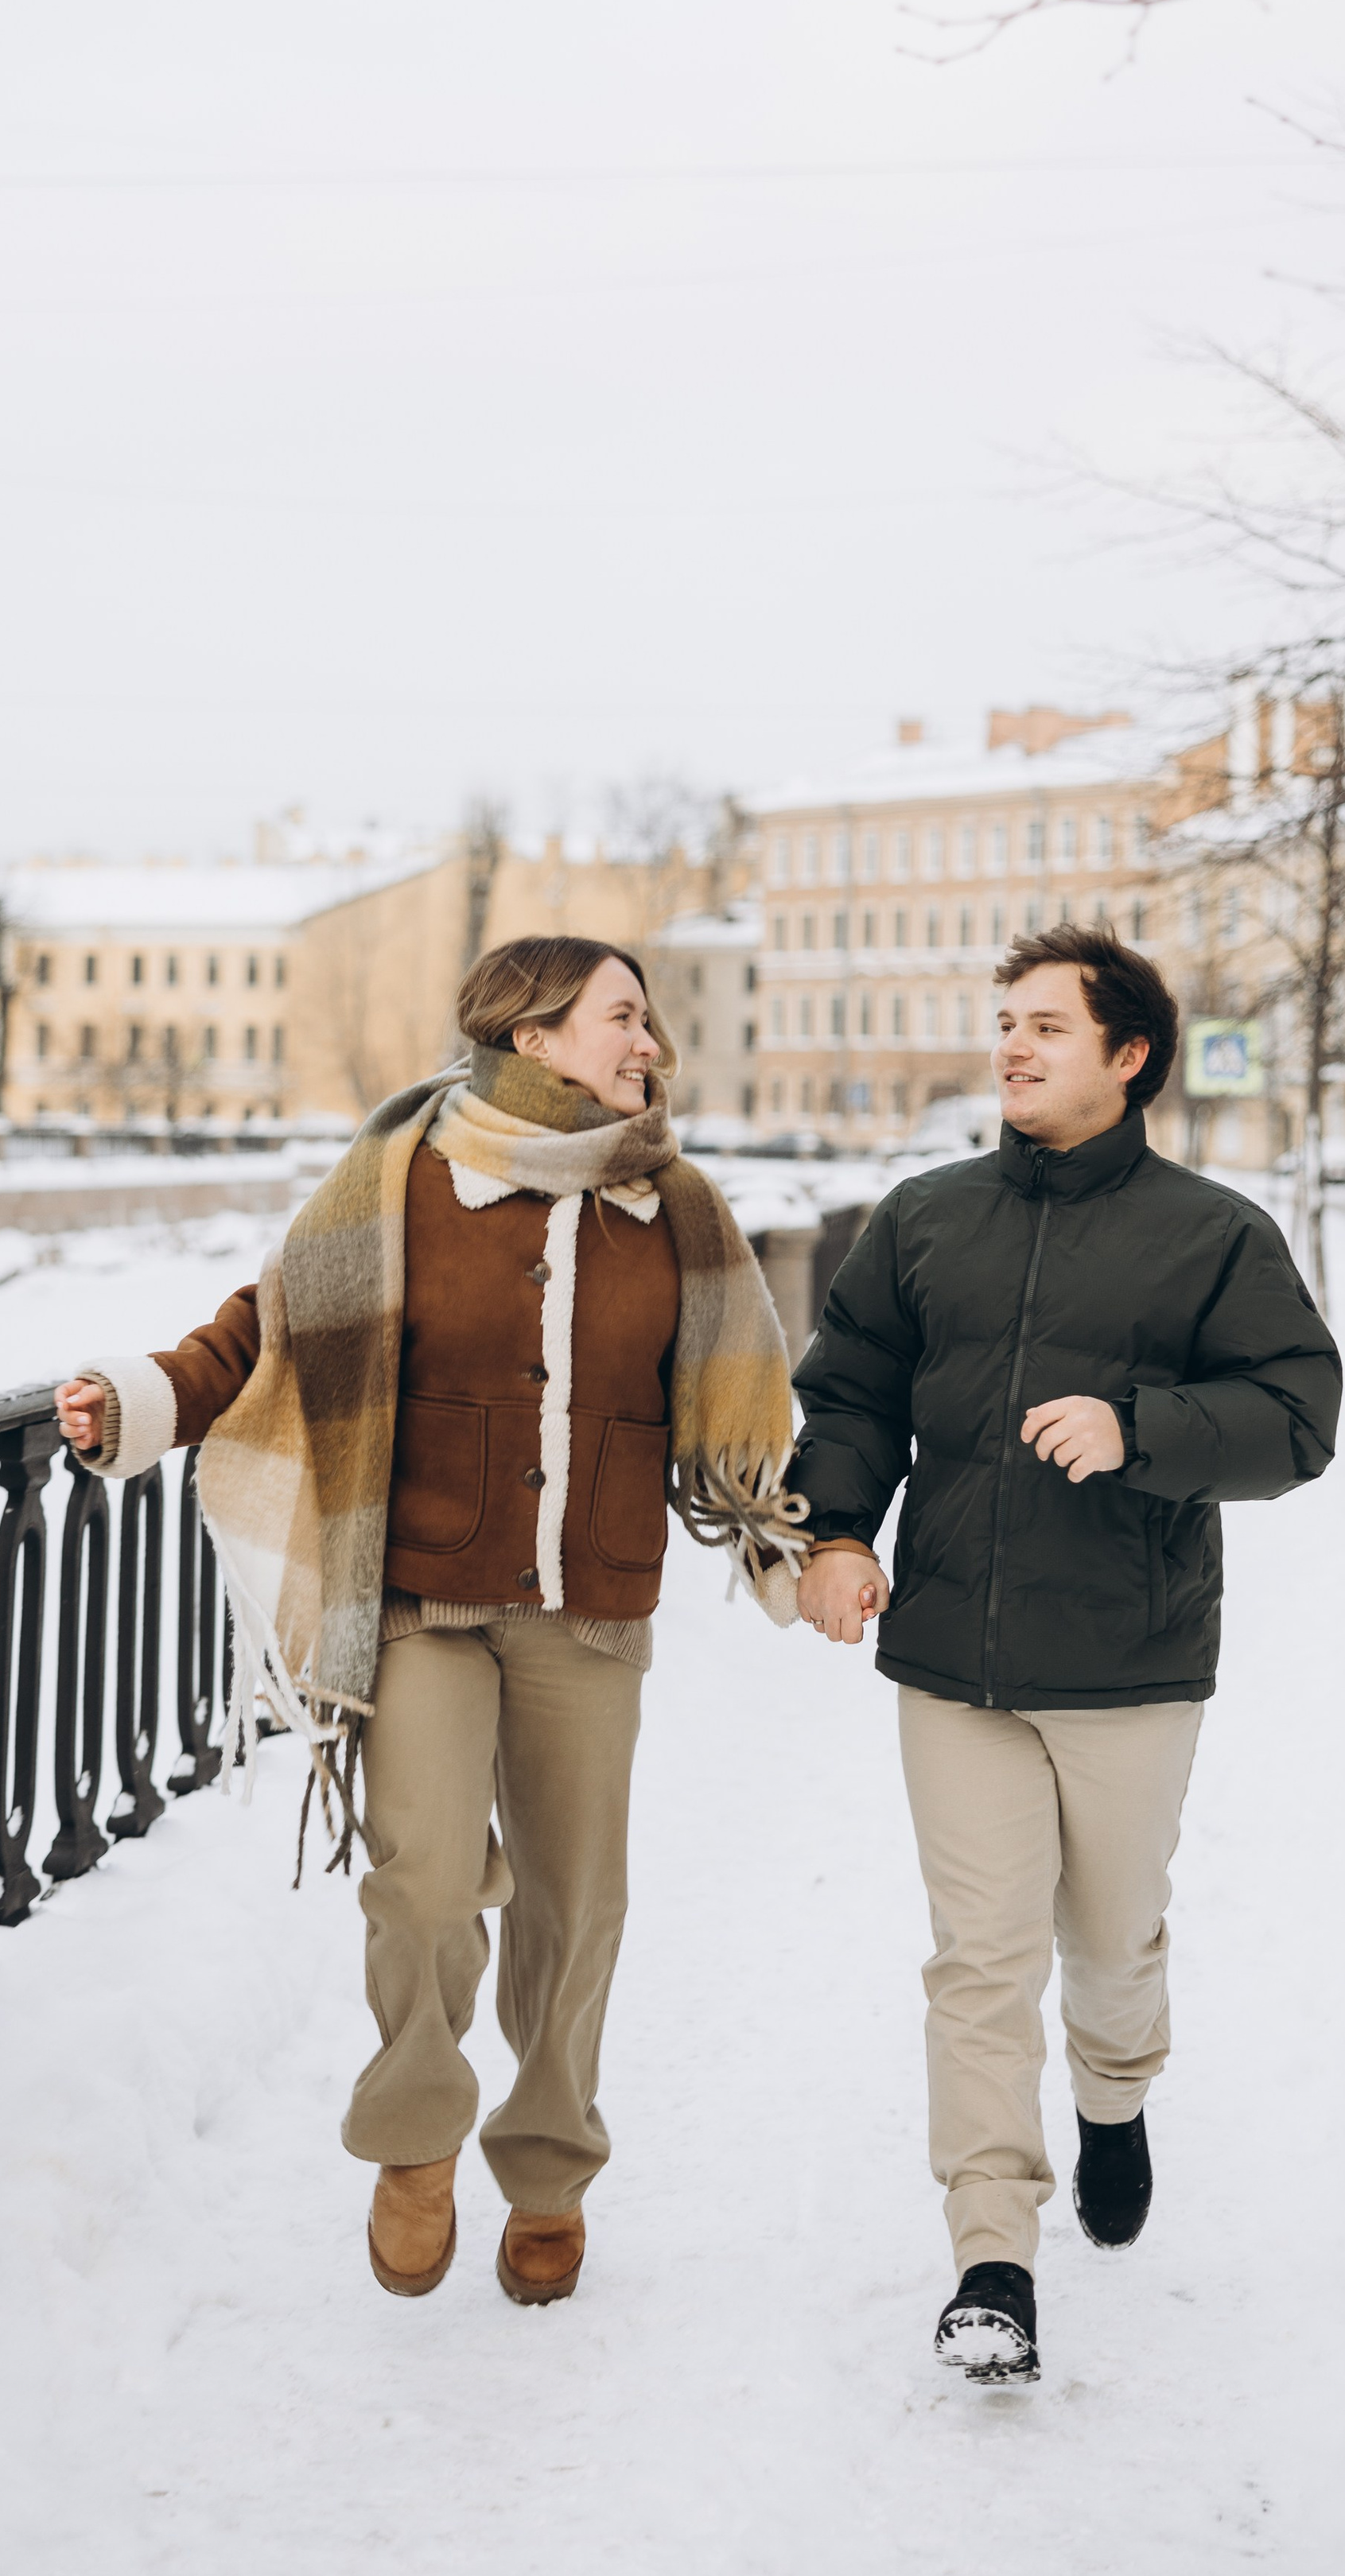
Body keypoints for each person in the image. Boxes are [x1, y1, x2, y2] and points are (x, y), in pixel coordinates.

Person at [54, 936, 804, 2309]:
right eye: (623, 1017)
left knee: (580, 1907)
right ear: (534, 1036)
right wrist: (143, 1402)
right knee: (422, 1877)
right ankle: (414, 2139)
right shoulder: (396, 1179)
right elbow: (263, 1332)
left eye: (648, 1020)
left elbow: (741, 1401)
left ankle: (550, 2169)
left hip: (593, 1601)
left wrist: (793, 1544)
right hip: (417, 1592)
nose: (651, 1043)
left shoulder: (677, 1205)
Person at [789, 925, 1340, 2386]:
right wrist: (836, 1533)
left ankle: (1113, 2099)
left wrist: (1139, 1429)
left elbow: (1297, 1419)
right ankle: (991, 2255)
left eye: (1045, 1025)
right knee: (979, 1961)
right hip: (951, 1663)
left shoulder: (1214, 1234)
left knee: (1109, 1943)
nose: (1013, 1046)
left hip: (1129, 1662)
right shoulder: (922, 1219)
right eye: (1005, 1021)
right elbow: (848, 1391)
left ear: (1130, 1055)